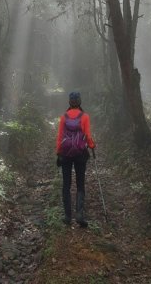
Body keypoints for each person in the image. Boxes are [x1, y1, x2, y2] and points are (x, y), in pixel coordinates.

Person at [56, 91, 96, 227]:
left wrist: (58, 152)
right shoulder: (84, 116)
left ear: (69, 102)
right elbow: (88, 136)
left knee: (66, 185)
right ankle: (79, 214)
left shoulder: (63, 117)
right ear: (79, 102)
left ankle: (67, 216)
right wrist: (92, 145)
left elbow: (60, 137)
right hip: (80, 153)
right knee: (80, 183)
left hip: (66, 153)